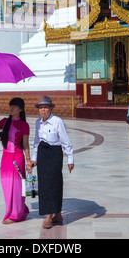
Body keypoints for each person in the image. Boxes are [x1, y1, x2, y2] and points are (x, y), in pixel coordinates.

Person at [30, 95, 74, 229]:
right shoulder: (38, 122)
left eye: (45, 108)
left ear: (50, 109)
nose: (43, 110)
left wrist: (70, 159)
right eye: (41, 108)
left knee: (55, 183)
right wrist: (33, 158)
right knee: (44, 185)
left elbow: (66, 141)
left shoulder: (57, 121)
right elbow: (36, 142)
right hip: (43, 154)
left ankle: (56, 213)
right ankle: (51, 215)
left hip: (54, 154)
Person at [0, 97, 30, 224]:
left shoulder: (24, 125)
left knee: (17, 187)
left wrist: (28, 161)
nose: (11, 108)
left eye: (14, 106)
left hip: (17, 157)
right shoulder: (5, 121)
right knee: (7, 185)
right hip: (5, 157)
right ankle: (12, 211)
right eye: (10, 105)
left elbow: (26, 144)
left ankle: (16, 214)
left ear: (20, 109)